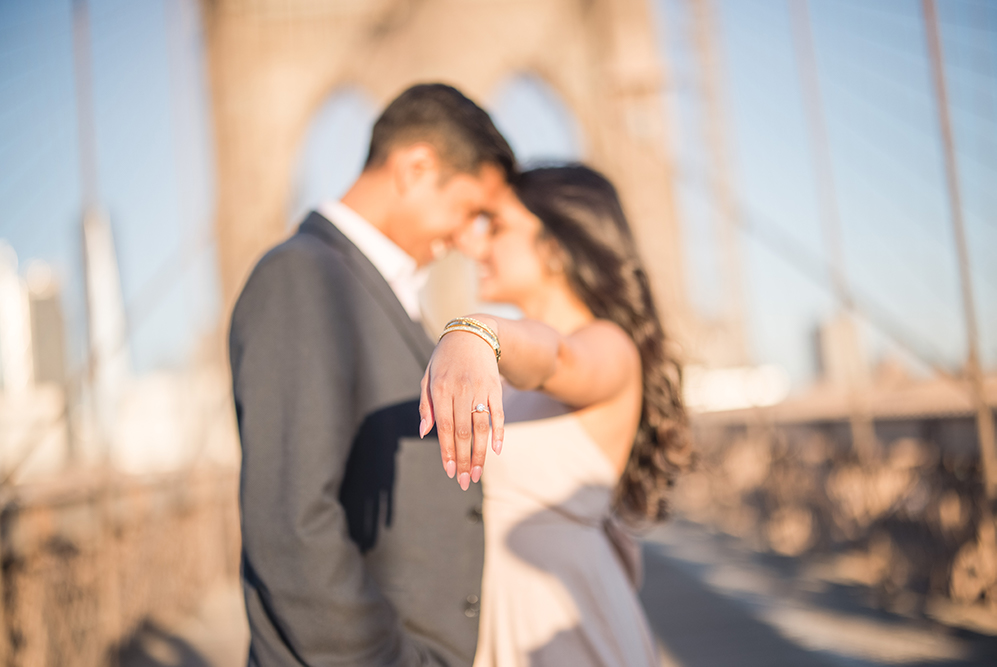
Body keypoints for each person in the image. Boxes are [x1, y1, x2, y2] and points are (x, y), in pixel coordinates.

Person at [229, 83, 515, 666]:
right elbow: (293, 527)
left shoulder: (375, 288)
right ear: (415, 168)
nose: (467, 237)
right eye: (469, 209)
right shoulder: (301, 278)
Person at [419, 165, 691, 666]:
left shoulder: (610, 346)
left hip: (568, 630)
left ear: (555, 248)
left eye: (497, 228)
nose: (477, 248)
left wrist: (474, 329)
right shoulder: (497, 375)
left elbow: (559, 356)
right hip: (490, 627)